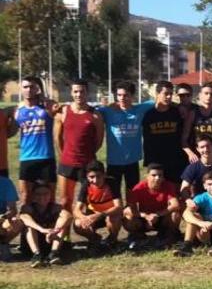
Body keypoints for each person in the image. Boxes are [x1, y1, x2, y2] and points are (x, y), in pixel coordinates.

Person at [98, 81, 155, 198]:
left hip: (132, 162)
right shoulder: (107, 111)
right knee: (114, 195)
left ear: (132, 96)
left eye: (126, 95)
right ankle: (117, 215)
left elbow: (160, 101)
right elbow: (89, 110)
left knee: (132, 195)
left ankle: (131, 214)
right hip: (113, 162)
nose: (122, 98)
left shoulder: (140, 109)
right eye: (119, 95)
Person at [55, 78, 104, 210]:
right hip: (67, 164)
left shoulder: (95, 115)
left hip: (87, 165)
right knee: (65, 201)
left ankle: (89, 230)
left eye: (82, 91)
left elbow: (99, 141)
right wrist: (64, 154)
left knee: (90, 202)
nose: (78, 95)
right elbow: (57, 138)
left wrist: (87, 154)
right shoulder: (63, 111)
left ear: (87, 93)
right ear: (71, 93)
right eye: (75, 91)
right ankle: (65, 231)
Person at [16, 76, 59, 204]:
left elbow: (57, 107)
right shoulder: (18, 110)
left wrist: (44, 98)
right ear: (21, 89)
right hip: (26, 158)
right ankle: (28, 224)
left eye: (32, 87)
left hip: (46, 158)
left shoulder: (47, 107)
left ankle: (50, 223)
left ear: (37, 89)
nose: (28, 90)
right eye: (25, 87)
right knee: (26, 197)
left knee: (49, 197)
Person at [123, 163, 182, 250]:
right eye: (154, 175)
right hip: (144, 219)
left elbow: (175, 204)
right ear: (147, 176)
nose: (157, 178)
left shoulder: (168, 185)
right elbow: (128, 209)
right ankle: (137, 236)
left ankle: (166, 236)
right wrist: (145, 216)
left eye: (160, 175)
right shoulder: (139, 188)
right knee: (128, 216)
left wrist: (157, 214)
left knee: (175, 214)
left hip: (161, 217)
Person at [142, 81, 188, 185]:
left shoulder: (177, 112)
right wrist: (148, 162)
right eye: (165, 93)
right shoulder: (149, 114)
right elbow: (147, 140)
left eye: (171, 94)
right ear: (157, 94)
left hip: (176, 159)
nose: (168, 97)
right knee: (158, 188)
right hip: (156, 159)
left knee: (176, 189)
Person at [72, 161, 123, 254]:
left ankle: (112, 240)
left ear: (104, 175)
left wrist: (100, 215)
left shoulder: (112, 182)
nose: (95, 180)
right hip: (93, 217)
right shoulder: (86, 185)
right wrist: (84, 218)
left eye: (98, 176)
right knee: (77, 223)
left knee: (115, 218)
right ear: (87, 176)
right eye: (91, 177)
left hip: (108, 215)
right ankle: (95, 239)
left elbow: (119, 207)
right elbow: (76, 209)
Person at [20, 183, 69, 267]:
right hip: (32, 244)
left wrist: (55, 230)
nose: (42, 197)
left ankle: (53, 254)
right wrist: (42, 229)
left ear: (50, 195)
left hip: (50, 241)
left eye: (45, 194)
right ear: (33, 196)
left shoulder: (55, 207)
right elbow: (24, 217)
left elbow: (67, 216)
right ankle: (36, 255)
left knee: (62, 227)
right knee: (29, 227)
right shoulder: (28, 207)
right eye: (38, 194)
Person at [183, 82, 212, 160]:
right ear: (200, 95)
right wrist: (190, 153)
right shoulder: (193, 113)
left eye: (211, 94)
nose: (208, 96)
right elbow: (184, 139)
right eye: (206, 93)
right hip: (197, 156)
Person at [0, 173, 22, 261]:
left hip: (2, 218)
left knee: (18, 223)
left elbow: (13, 210)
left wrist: (3, 216)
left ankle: (3, 244)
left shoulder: (6, 183)